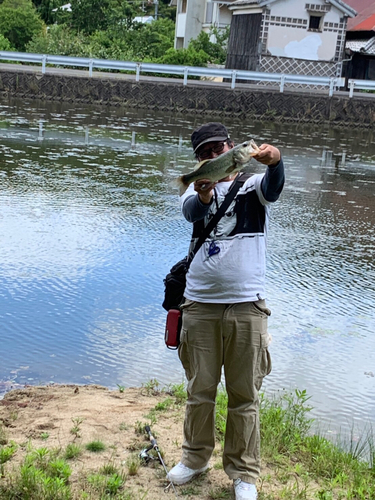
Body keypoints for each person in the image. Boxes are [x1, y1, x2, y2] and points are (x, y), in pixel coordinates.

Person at [167, 122, 285, 500]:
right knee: (199, 389)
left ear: (233, 148)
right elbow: (190, 214)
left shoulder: (253, 186)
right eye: (205, 153)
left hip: (247, 305)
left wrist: (276, 161)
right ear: (199, 160)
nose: (213, 156)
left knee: (244, 394)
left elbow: (274, 188)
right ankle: (195, 458)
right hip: (200, 305)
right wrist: (202, 194)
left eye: (218, 148)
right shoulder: (194, 192)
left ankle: (243, 473)